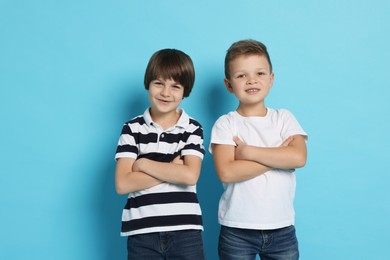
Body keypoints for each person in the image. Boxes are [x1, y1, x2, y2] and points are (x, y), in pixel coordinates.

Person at [209, 39, 308, 260]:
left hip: (282, 228)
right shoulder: (226, 124)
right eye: (241, 75)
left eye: (260, 73)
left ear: (271, 79)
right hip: (236, 230)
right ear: (228, 84)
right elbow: (227, 172)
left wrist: (247, 152)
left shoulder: (284, 118)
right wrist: (277, 156)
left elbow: (298, 157)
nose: (251, 80)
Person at [115, 48, 206, 260]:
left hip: (186, 232)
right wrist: (173, 168)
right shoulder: (132, 129)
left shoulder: (192, 129)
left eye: (175, 86)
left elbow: (190, 176)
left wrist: (143, 163)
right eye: (159, 83)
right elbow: (123, 184)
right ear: (148, 83)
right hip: (141, 234)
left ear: (185, 91)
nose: (166, 92)